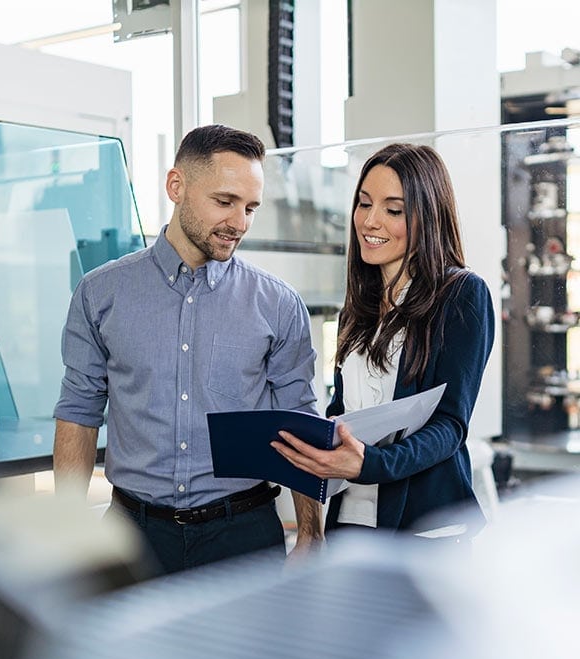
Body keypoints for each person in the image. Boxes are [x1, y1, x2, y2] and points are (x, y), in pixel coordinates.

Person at [53, 124, 322, 574]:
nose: (239, 223)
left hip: (244, 535)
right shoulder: (100, 294)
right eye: (225, 201)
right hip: (132, 535)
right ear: (176, 186)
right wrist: (65, 532)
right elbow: (79, 413)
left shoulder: (277, 304)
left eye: (250, 207)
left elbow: (301, 420)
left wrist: (313, 532)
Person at [271, 143, 495, 541]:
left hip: (424, 532)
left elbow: (449, 426)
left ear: (426, 216)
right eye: (363, 204)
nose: (370, 222)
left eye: (393, 210)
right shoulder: (358, 307)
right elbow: (344, 412)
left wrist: (369, 464)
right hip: (350, 524)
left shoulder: (462, 295)